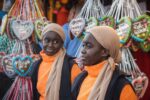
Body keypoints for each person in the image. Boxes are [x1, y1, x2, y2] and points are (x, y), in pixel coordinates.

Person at [72, 26, 137, 100]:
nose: (82, 51)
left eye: (89, 46)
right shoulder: (81, 78)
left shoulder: (121, 86)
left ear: (105, 52)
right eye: (83, 45)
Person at [31, 23, 81, 100]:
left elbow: (78, 94)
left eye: (55, 42)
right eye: (47, 40)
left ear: (62, 44)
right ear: (42, 41)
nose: (50, 45)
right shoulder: (36, 65)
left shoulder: (71, 66)